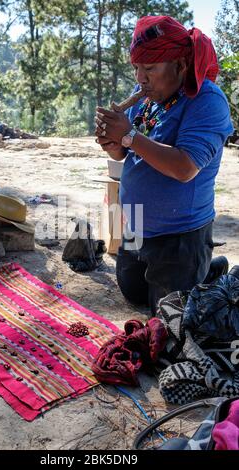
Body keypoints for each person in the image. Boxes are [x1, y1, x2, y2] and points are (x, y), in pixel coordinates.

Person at [95, 15, 234, 315]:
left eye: (149, 68)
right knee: (132, 291)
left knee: (168, 316)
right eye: (136, 68)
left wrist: (129, 136)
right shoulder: (148, 99)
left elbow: (185, 167)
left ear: (180, 65)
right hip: (138, 226)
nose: (140, 78)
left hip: (180, 235)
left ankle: (204, 272)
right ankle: (204, 274)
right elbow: (127, 154)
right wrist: (114, 144)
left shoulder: (207, 101)